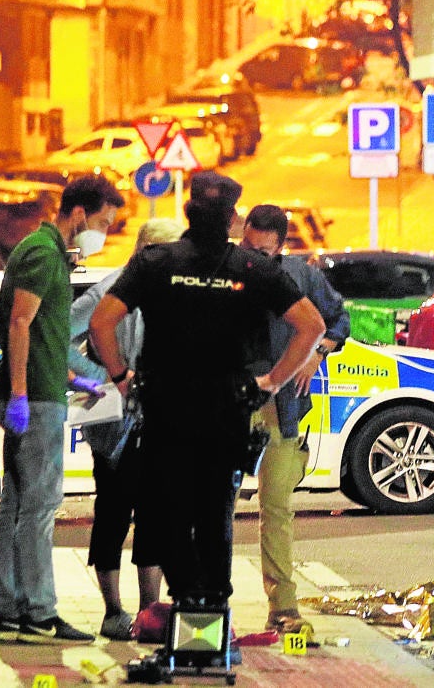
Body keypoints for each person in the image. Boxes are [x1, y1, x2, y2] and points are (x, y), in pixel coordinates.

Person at [89, 172, 325, 609]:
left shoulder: (155, 262)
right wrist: (273, 381)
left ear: (187, 213)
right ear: (233, 219)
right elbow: (313, 326)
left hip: (165, 408)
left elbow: (100, 322)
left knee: (168, 510)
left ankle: (183, 602)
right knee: (216, 510)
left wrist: (122, 377)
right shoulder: (251, 268)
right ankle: (213, 607)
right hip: (227, 410)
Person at [0, 174, 123, 645]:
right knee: (39, 508)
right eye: (103, 222)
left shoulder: (40, 251)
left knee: (17, 506)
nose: (103, 233)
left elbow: (43, 334)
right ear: (79, 213)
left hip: (44, 389)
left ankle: (10, 612)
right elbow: (21, 324)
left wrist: (74, 378)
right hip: (36, 401)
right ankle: (39, 613)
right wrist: (23, 393)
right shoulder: (44, 255)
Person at [68, 218, 185, 640]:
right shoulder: (107, 290)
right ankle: (113, 610)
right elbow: (64, 335)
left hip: (156, 418)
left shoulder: (172, 289)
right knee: (113, 512)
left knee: (155, 513)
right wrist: (103, 375)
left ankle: (148, 612)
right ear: (146, 251)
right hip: (110, 418)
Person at [239, 204, 350, 640]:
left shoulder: (301, 277)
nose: (254, 258)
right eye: (248, 247)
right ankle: (205, 604)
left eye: (264, 252)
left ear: (281, 248)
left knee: (278, 510)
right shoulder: (230, 273)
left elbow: (338, 318)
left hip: (280, 408)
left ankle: (283, 607)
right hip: (233, 402)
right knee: (212, 510)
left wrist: (317, 350)